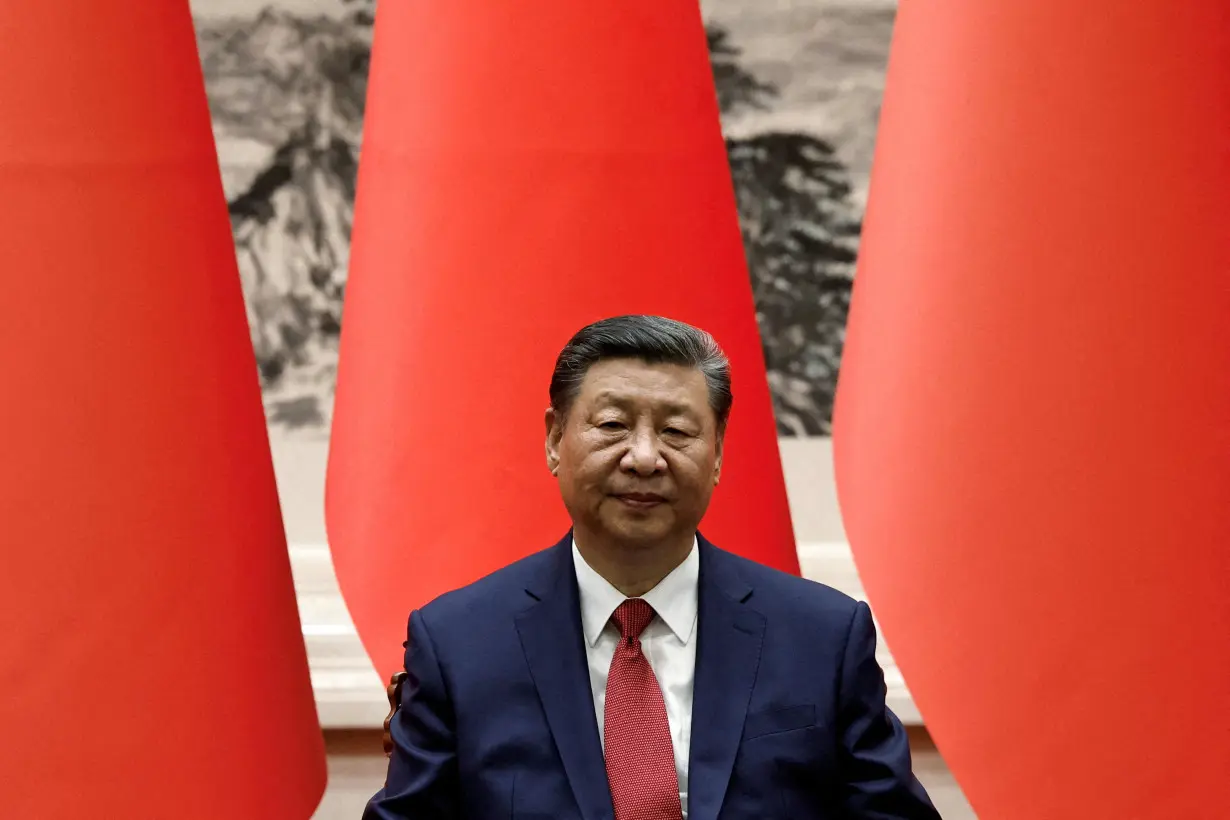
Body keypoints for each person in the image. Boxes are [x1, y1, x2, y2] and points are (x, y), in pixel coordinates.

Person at [365, 315, 940, 819]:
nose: (644, 457)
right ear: (554, 439)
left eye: (677, 431)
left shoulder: (822, 638)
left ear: (717, 455)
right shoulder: (459, 644)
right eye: (613, 425)